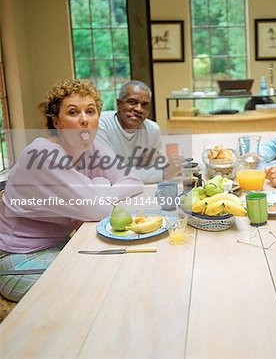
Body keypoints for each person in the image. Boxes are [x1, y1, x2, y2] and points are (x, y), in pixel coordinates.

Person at [0, 79, 144, 301]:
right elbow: (98, 210)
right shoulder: (43, 154)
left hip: (63, 244)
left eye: (91, 111)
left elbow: (134, 181)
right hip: (19, 259)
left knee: (123, 266)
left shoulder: (91, 147)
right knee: (99, 284)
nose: (85, 120)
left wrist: (97, 189)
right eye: (73, 112)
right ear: (57, 121)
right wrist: (99, 188)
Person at [96, 80, 178, 184]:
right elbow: (110, 173)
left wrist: (176, 167)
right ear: (119, 104)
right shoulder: (101, 125)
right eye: (132, 102)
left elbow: (155, 165)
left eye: (145, 105)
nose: (139, 109)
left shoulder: (152, 129)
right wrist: (163, 173)